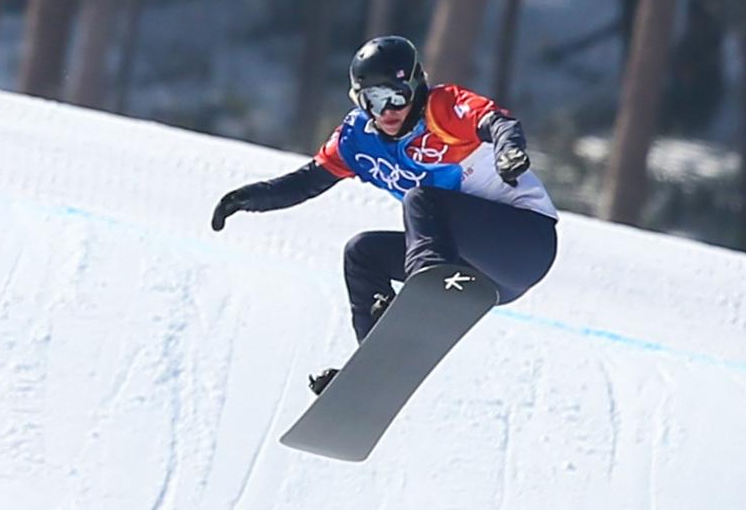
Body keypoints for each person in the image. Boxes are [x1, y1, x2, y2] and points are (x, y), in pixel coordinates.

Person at [210, 35, 558, 394]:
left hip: (525, 242)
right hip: (481, 275)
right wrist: (248, 198)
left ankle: (428, 282)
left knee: (423, 200)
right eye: (373, 100)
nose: (387, 110)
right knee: (362, 253)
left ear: (416, 86)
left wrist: (509, 151)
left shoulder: (441, 108)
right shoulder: (357, 139)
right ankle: (371, 371)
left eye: (396, 95)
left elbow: (497, 121)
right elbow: (307, 182)